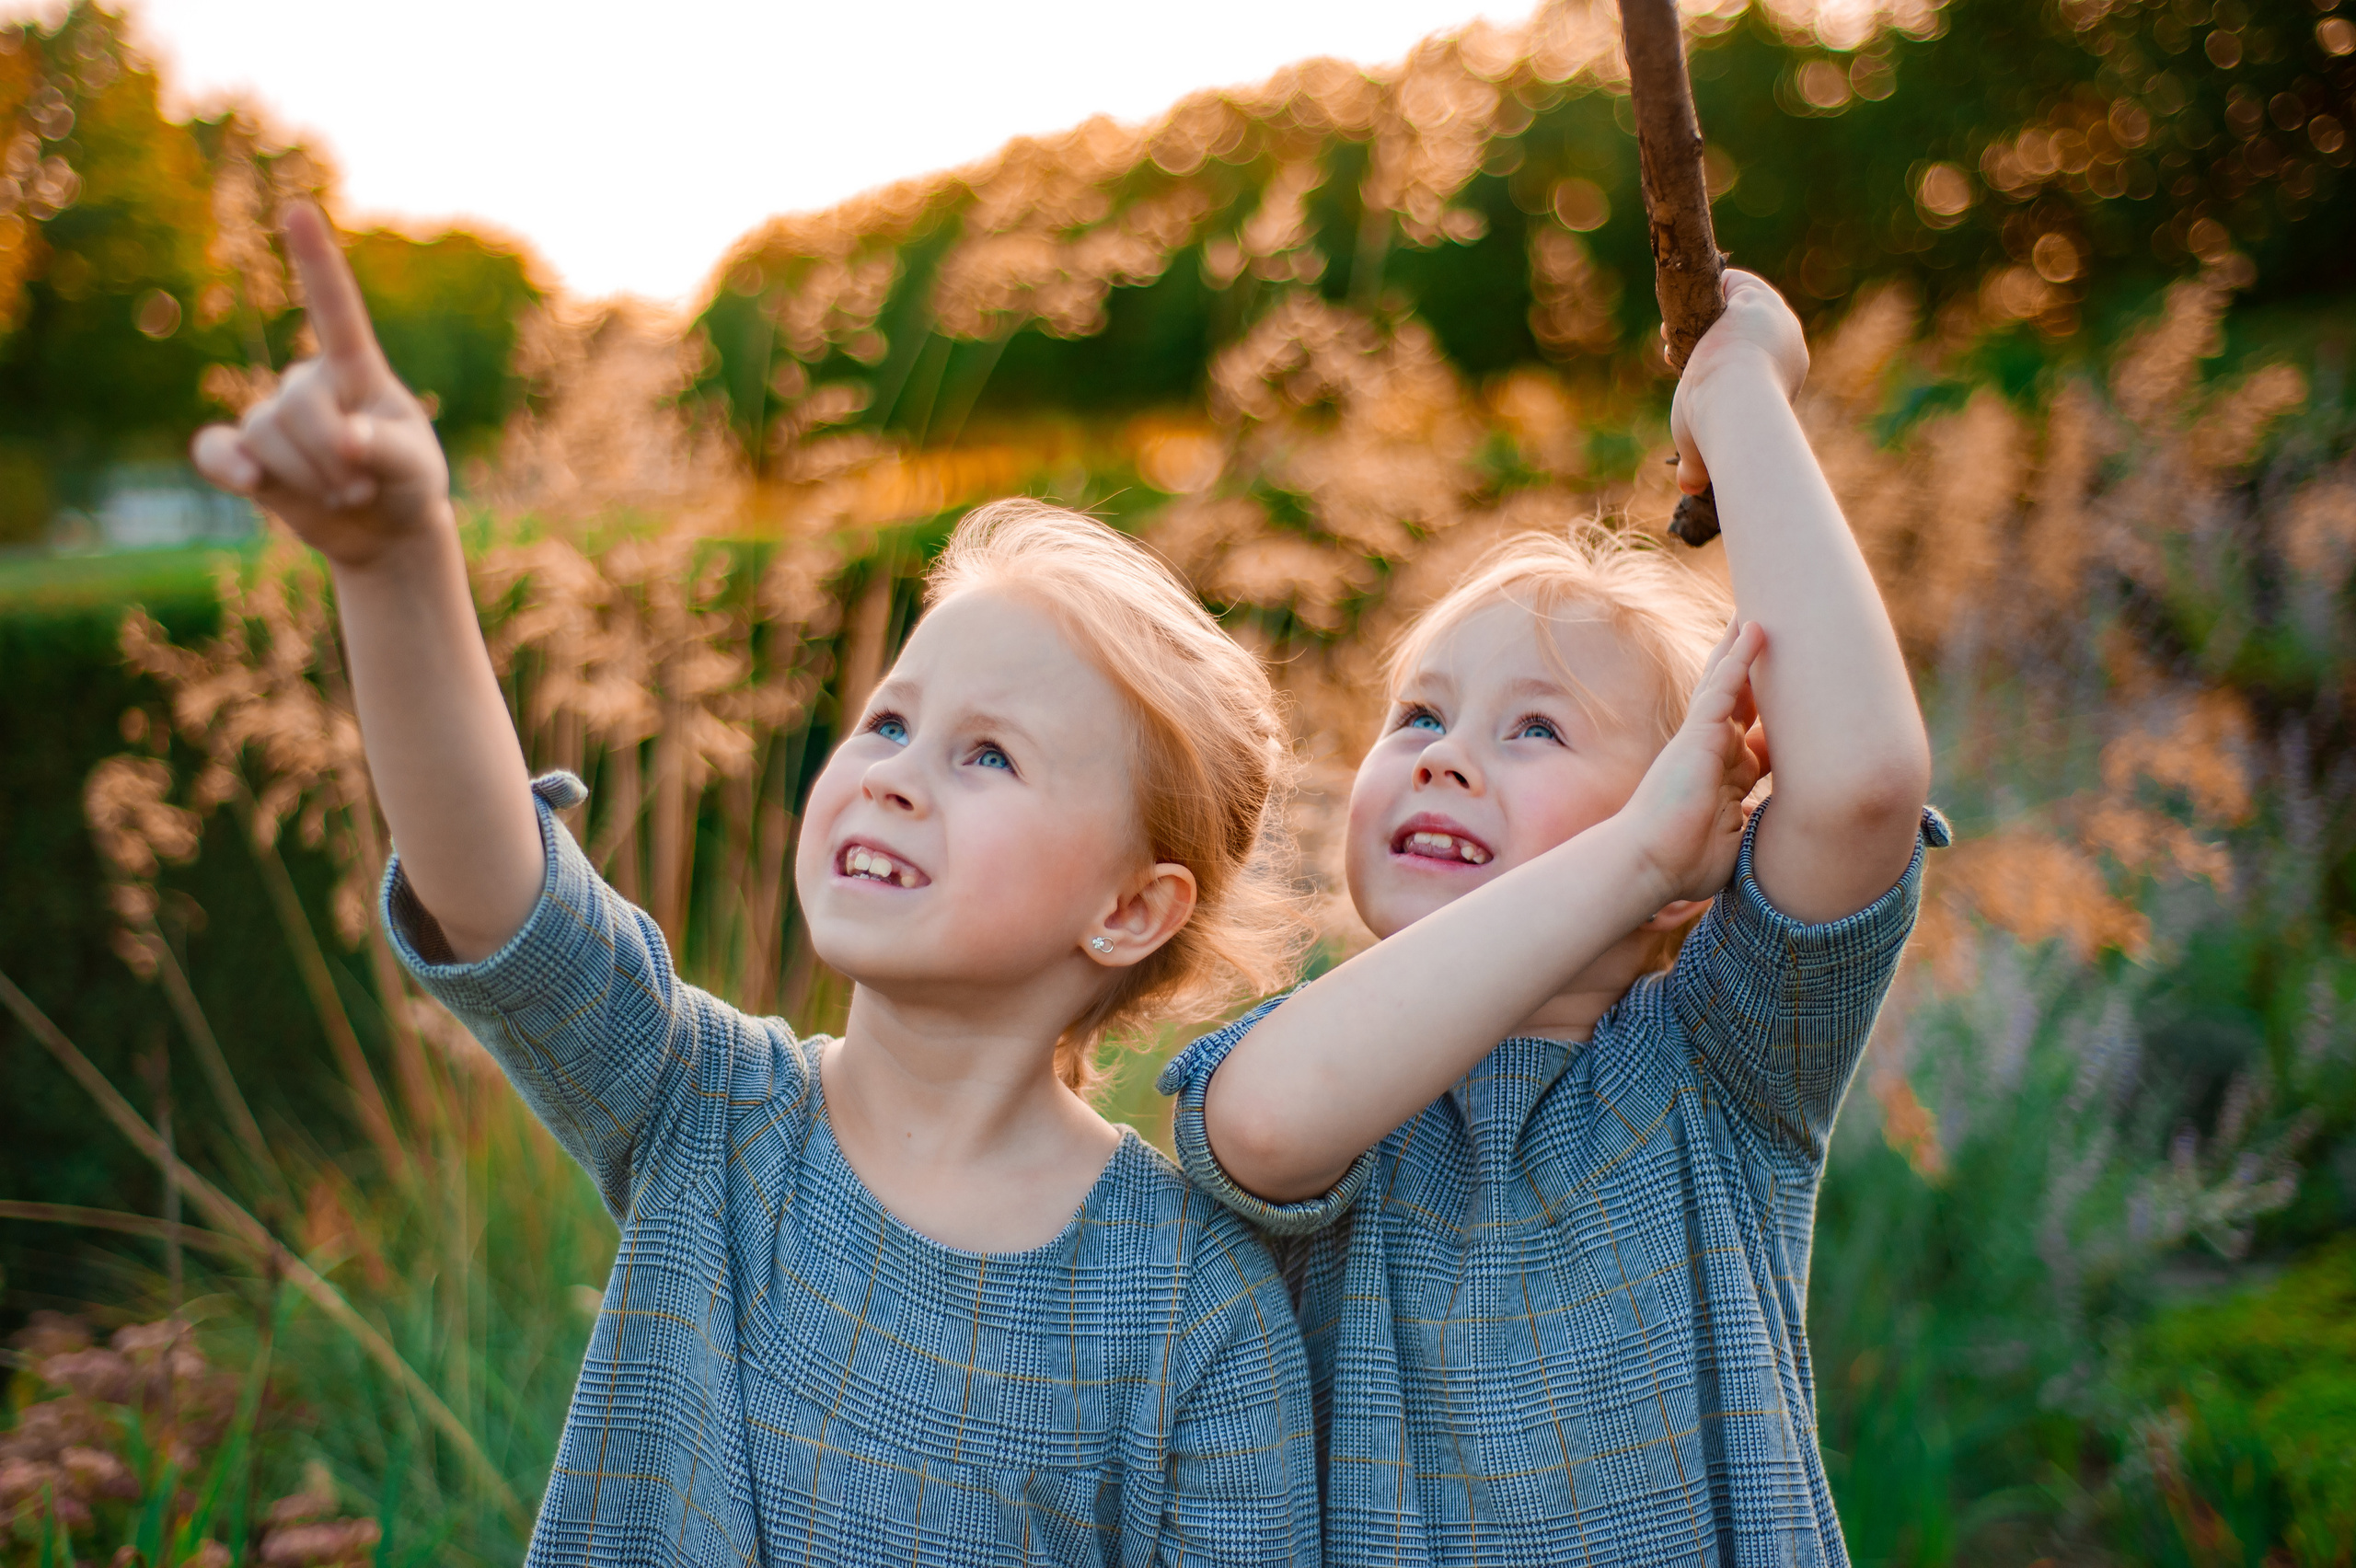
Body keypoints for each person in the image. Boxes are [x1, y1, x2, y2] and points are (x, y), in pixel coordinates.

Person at [194, 203, 1322, 1567]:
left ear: (1132, 910)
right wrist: (394, 563)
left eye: (988, 756)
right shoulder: (708, 1112)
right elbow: (502, 906)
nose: (895, 774)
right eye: (892, 723)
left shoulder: (1196, 1311)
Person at [1160, 271, 1945, 1564]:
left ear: (1698, 824)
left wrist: (1740, 391)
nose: (1443, 759)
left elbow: (1862, 779)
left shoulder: (1719, 1067)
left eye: (1534, 729)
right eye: (1418, 715)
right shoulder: (1341, 1077)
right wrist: (1631, 852)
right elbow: (1258, 1123)